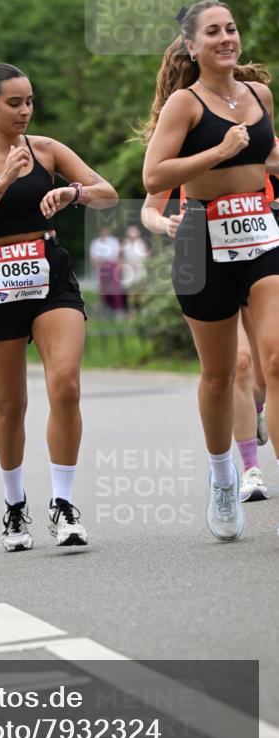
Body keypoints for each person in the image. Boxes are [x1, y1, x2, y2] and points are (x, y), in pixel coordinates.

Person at [0, 63, 118, 552]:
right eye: (13, 103)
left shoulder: (47, 148)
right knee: (12, 405)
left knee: (65, 384)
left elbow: (107, 193)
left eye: (29, 102)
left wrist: (72, 192)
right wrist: (2, 181)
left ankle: (63, 505)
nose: (24, 111)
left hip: (48, 272)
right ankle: (15, 507)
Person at [142, 0, 279, 542]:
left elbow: (267, 157)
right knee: (221, 376)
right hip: (202, 241)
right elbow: (155, 173)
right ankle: (224, 476)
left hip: (262, 233)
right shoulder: (185, 103)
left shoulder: (260, 95)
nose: (226, 38)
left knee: (274, 357)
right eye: (213, 32)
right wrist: (217, 151)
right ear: (192, 46)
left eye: (231, 29)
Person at [142, 187, 270, 502]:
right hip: (206, 257)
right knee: (239, 364)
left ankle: (257, 407)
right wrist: (165, 224)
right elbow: (149, 211)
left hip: (258, 251)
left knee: (265, 374)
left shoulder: (254, 140)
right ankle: (250, 469)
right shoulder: (182, 149)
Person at [88, 226, 123, 313]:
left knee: (115, 288)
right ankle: (105, 308)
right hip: (101, 266)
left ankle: (118, 308)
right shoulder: (96, 243)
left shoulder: (113, 241)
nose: (104, 232)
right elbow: (93, 258)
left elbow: (117, 256)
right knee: (103, 289)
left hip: (112, 265)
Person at [120, 225, 150, 312]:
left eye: (134, 236)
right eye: (131, 236)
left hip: (140, 271)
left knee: (141, 292)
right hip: (128, 272)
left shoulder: (142, 244)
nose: (132, 238)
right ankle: (131, 311)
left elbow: (147, 257)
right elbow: (121, 259)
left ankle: (142, 310)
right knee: (130, 293)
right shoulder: (125, 244)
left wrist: (140, 265)